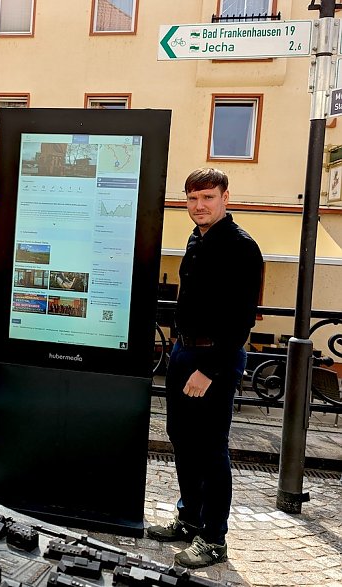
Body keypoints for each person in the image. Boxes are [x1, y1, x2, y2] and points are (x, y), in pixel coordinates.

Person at [146, 168, 263, 569]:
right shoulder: (198, 239)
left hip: (214, 359)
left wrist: (208, 370)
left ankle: (214, 538)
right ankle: (189, 517)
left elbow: (241, 320)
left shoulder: (240, 247)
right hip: (184, 353)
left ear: (225, 198)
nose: (200, 205)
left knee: (211, 448)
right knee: (182, 437)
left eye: (208, 197)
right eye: (193, 199)